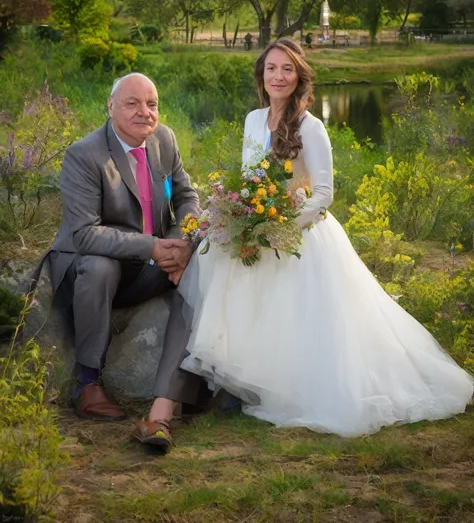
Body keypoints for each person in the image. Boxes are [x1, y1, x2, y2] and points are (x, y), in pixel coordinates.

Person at [178, 38, 474, 437]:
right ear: (261, 75)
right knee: (241, 296)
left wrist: (277, 230)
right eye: (271, 68)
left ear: (299, 76)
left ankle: (291, 389)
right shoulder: (252, 119)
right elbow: (248, 178)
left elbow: (323, 194)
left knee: (298, 317)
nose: (278, 76)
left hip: (299, 236)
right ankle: (243, 386)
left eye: (287, 69)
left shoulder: (309, 126)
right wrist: (238, 217)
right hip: (254, 230)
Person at [42, 72, 201, 452]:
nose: (145, 112)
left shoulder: (164, 139)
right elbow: (83, 235)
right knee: (99, 265)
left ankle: (167, 403)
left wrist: (180, 245)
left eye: (152, 104)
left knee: (202, 269)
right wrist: (151, 247)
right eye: (132, 103)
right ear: (111, 107)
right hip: (90, 271)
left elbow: (188, 198)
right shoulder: (85, 154)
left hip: (151, 263)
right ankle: (87, 382)